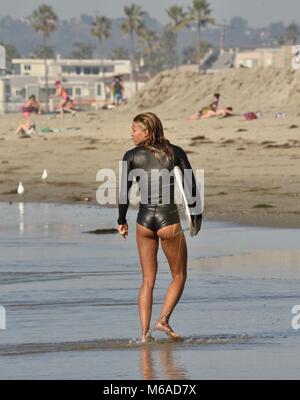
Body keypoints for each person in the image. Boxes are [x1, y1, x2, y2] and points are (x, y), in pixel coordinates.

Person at [117, 112, 202, 344]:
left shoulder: (131, 156)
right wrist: (196, 218)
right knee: (179, 275)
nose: (131, 133)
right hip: (168, 220)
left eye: (134, 129)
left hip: (144, 221)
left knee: (147, 280)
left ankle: (144, 335)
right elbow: (191, 187)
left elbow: (123, 192)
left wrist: (121, 220)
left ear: (146, 132)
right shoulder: (174, 152)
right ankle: (163, 320)